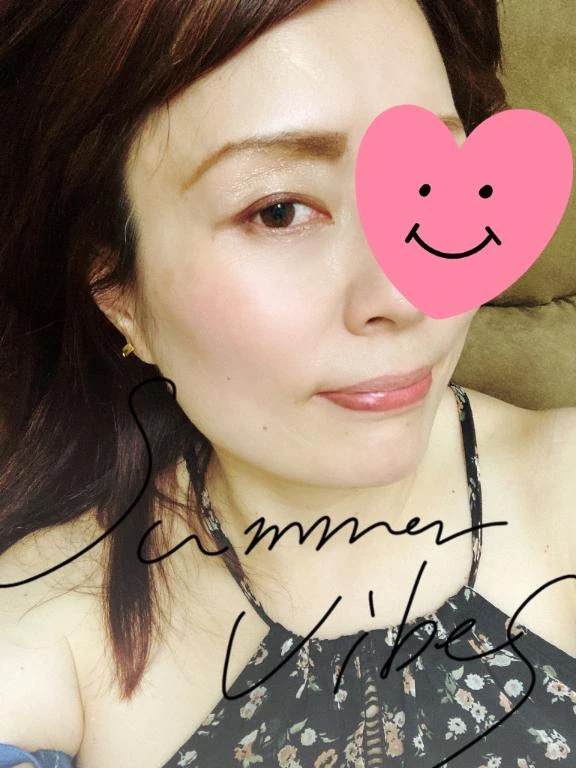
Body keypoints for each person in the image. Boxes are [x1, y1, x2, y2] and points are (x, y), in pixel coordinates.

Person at [0, 0, 575, 766]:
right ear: (116, 289)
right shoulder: (49, 632)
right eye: (278, 211)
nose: (405, 294)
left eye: (433, 185)